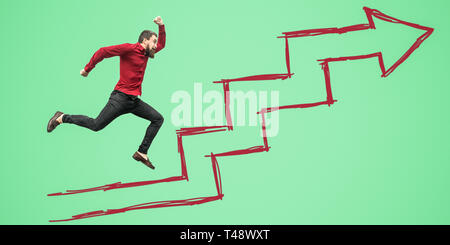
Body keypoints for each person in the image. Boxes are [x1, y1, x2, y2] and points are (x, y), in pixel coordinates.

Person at [47, 16, 167, 170]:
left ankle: (142, 152)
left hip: (133, 101)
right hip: (120, 99)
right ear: (144, 41)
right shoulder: (129, 49)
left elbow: (162, 44)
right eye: (153, 41)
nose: (156, 45)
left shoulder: (145, 54)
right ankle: (62, 117)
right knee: (96, 125)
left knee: (158, 119)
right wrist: (87, 69)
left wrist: (161, 26)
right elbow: (103, 51)